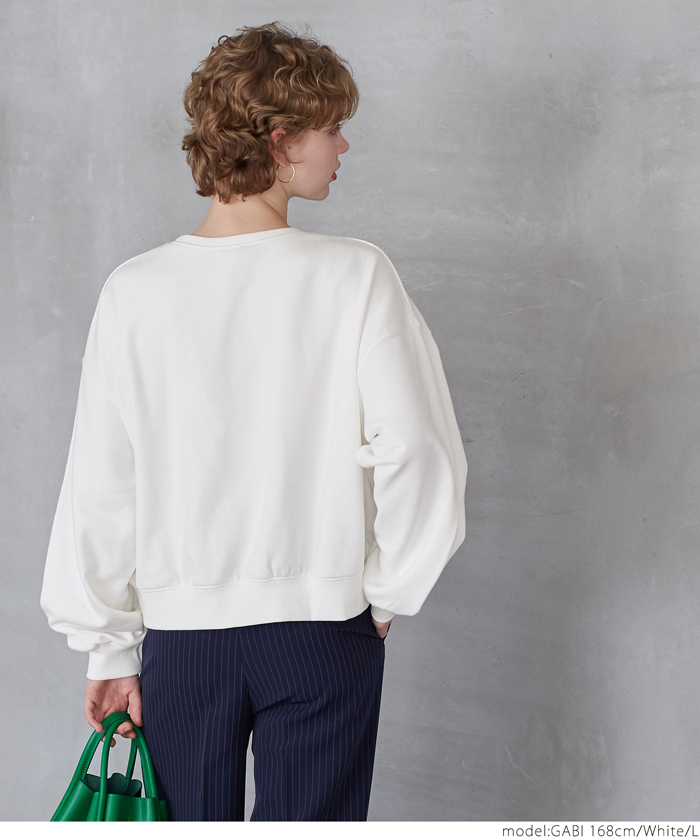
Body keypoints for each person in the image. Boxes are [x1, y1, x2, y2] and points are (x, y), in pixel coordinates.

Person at [39, 20, 468, 821]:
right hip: (321, 633)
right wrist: (385, 595)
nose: (343, 146)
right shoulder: (355, 276)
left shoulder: (135, 291)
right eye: (332, 128)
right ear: (279, 138)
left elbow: (102, 482)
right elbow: (417, 448)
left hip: (183, 642)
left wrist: (109, 646)